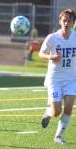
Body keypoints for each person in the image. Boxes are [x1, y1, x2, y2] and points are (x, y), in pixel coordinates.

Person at [39, 9, 76, 144]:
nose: (66, 23)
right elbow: (41, 53)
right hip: (55, 79)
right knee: (56, 112)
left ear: (73, 23)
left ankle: (58, 136)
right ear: (60, 21)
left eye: (69, 20)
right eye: (64, 20)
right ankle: (48, 113)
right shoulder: (52, 38)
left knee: (69, 107)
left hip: (71, 78)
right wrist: (50, 57)